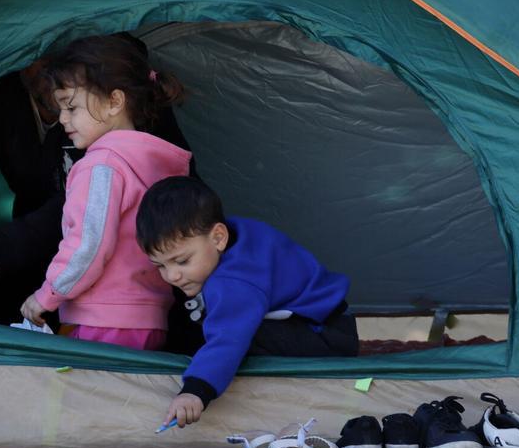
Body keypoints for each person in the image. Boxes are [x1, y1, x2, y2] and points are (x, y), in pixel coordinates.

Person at [0, 38, 194, 326]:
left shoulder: (124, 86)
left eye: (63, 53)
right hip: (36, 263)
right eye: (39, 53)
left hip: (124, 292)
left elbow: (89, 219)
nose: (52, 70)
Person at [137, 176, 358, 428]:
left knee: (235, 336)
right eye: (160, 266)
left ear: (218, 237)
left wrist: (196, 390)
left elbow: (228, 339)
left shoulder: (233, 282)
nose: (172, 276)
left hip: (325, 335)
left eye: (183, 261)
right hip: (331, 322)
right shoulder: (234, 234)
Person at [19, 36, 192, 350]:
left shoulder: (101, 165)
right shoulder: (154, 161)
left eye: (71, 106)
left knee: (78, 398)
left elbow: (88, 244)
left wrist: (47, 295)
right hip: (150, 319)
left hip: (102, 321)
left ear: (115, 101)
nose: (62, 119)